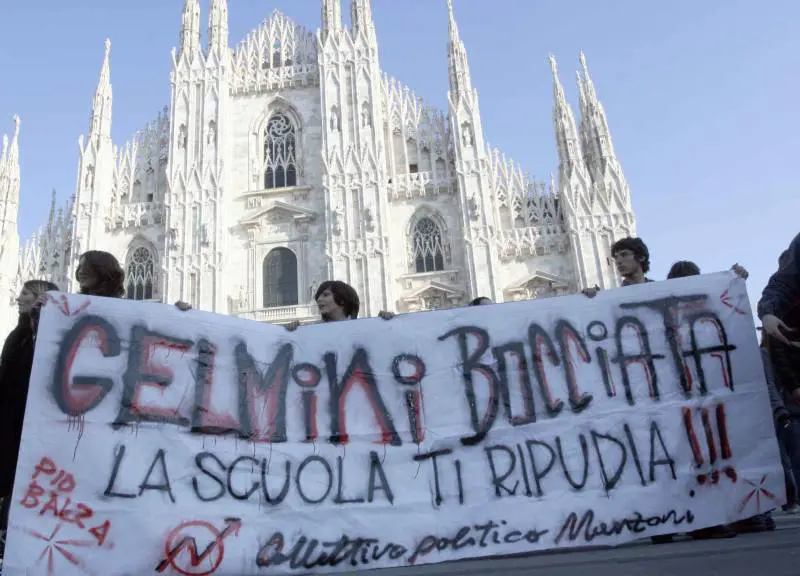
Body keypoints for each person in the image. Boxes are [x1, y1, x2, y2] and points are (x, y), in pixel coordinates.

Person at [0, 280, 59, 557]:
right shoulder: (16, 335)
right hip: (10, 424)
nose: (18, 296)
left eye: (25, 292)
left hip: (37, 429)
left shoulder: (53, 335)